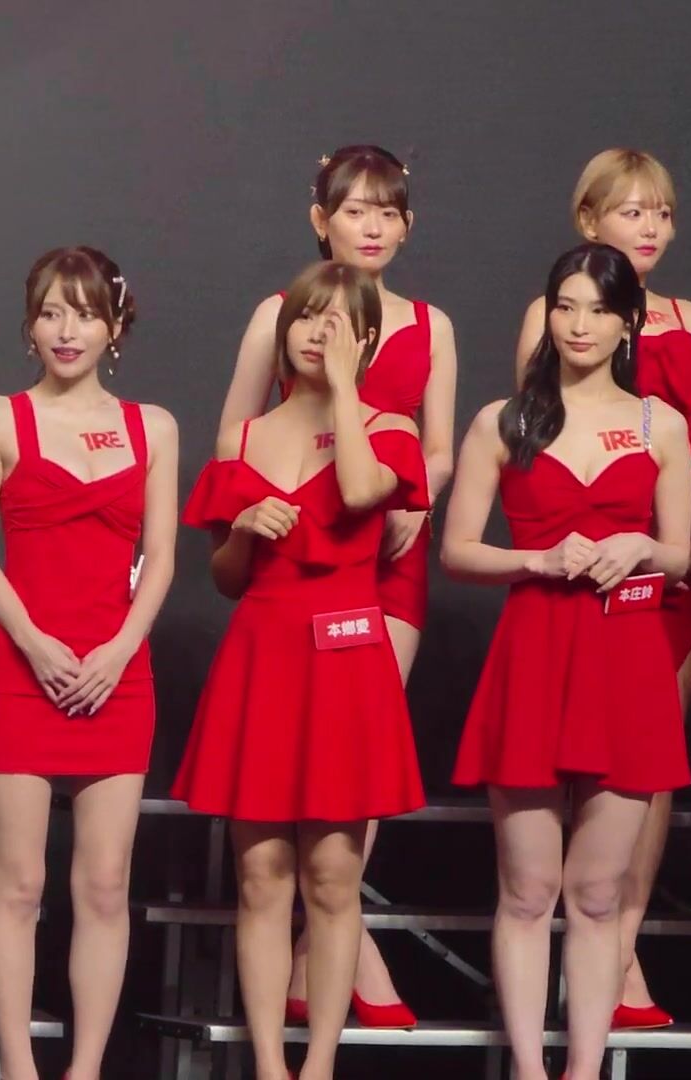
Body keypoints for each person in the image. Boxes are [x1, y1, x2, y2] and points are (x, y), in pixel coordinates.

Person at [216, 145, 455, 1027]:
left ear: (407, 225)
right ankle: (333, 957)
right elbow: (235, 431)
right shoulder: (283, 312)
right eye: (355, 210)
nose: (371, 227)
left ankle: (325, 950)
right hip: (298, 548)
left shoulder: (429, 324)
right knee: (296, 771)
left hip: (387, 549)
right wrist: (259, 507)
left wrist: (416, 504)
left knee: (357, 755)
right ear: (322, 221)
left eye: (387, 212)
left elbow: (437, 447)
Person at [448, 242, 691, 1080]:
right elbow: (458, 550)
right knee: (526, 892)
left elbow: (682, 554)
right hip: (536, 656)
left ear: (628, 323)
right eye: (565, 306)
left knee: (597, 894)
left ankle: (584, 1070)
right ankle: (528, 1068)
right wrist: (539, 560)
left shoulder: (662, 424)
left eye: (598, 309)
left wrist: (641, 547)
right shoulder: (505, 420)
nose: (578, 324)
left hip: (628, 662)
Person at [179, 262, 427, 1080]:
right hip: (263, 653)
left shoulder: (388, 427)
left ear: (366, 339)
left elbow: (358, 491)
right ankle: (266, 1062)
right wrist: (243, 528)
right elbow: (226, 578)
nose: (319, 333)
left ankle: (318, 1061)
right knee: (260, 875)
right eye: (307, 318)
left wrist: (347, 390)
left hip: (346, 662)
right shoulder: (245, 438)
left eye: (339, 321)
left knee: (331, 876)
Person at [0, 247, 177, 1080]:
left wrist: (120, 650)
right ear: (30, 323)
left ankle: (85, 1068)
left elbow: (161, 560)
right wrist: (34, 641)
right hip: (21, 670)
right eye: (51, 312)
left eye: (84, 314)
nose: (66, 330)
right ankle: (19, 1067)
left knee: (104, 885)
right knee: (17, 884)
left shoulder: (153, 427)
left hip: (117, 673)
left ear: (114, 327)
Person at [512, 149, 691, 1029]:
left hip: (674, 557)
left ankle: (622, 946)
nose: (650, 228)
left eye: (661, 212)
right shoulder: (557, 317)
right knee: (599, 756)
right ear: (589, 221)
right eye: (631, 212)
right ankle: (582, 946)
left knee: (650, 760)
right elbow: (534, 444)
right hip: (584, 564)